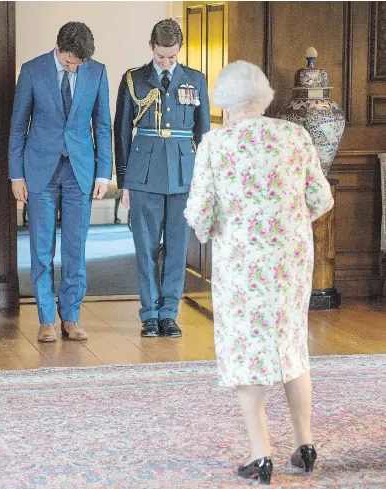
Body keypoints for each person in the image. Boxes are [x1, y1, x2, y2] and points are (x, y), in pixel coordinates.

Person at [185, 61, 334, 485]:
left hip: (242, 266)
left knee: (247, 353)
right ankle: (305, 446)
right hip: (290, 261)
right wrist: (287, 221)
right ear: (264, 95)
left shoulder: (216, 144)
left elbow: (200, 216)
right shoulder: (295, 135)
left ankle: (261, 454)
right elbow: (321, 198)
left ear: (225, 104)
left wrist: (222, 228)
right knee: (290, 345)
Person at [9, 22, 112, 342]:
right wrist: (17, 175)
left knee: (75, 248)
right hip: (40, 170)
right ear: (59, 48)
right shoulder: (31, 71)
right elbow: (17, 127)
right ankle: (45, 320)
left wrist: (103, 173)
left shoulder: (96, 72)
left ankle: (71, 317)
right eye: (70, 62)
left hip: (79, 170)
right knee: (41, 249)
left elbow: (103, 124)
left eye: (79, 64)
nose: (74, 67)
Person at [114, 19, 210, 338]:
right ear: (151, 48)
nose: (165, 62)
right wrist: (125, 180)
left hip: (184, 174)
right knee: (145, 246)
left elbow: (203, 131)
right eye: (160, 57)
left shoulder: (195, 80)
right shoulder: (133, 80)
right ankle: (149, 313)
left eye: (171, 57)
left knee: (178, 246)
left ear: (179, 50)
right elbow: (122, 132)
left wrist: (203, 179)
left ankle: (169, 312)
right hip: (143, 173)